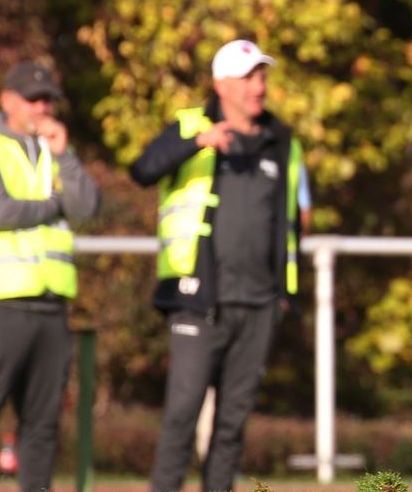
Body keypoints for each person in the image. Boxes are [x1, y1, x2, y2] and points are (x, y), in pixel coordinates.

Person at [130, 39, 304, 492]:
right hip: (198, 299)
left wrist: (285, 295)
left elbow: (289, 223)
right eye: (249, 78)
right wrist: (199, 142)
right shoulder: (190, 125)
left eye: (262, 76)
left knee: (232, 425)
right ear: (221, 84)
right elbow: (143, 169)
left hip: (259, 303)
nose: (259, 87)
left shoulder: (282, 141)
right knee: (182, 414)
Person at [0, 60, 99, 492]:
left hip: (50, 305)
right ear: (7, 100)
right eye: (33, 99)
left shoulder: (55, 152)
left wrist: (66, 157)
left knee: (42, 426)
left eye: (48, 99)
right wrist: (56, 204)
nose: (42, 107)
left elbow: (87, 208)